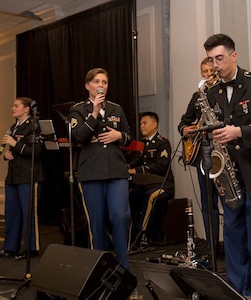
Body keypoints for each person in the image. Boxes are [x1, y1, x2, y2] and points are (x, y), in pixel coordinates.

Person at [203, 33, 251, 300]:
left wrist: (238, 132)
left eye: (220, 58)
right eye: (211, 60)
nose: (215, 65)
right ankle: (236, 290)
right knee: (233, 234)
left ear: (234, 56)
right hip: (229, 173)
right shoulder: (211, 91)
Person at [69, 67, 132, 269]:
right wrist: (94, 112)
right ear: (88, 85)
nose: (101, 86)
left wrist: (119, 136)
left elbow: (129, 138)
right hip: (91, 172)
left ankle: (124, 266)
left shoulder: (117, 109)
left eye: (104, 82)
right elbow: (78, 136)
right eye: (96, 82)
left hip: (116, 170)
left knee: (120, 216)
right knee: (96, 223)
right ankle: (100, 268)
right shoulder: (78, 109)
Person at [178, 57, 222, 255]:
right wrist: (185, 129)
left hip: (223, 152)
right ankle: (212, 247)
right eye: (204, 71)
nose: (207, 75)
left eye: (210, 71)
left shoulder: (225, 92)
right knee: (207, 203)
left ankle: (231, 246)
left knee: (229, 203)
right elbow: (184, 121)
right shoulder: (197, 95)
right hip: (203, 154)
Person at [0, 97, 43, 259]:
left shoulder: (35, 126)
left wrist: (15, 144)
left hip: (28, 175)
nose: (12, 108)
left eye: (16, 106)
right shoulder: (13, 127)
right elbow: (12, 151)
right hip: (13, 176)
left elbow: (37, 151)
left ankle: (32, 249)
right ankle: (10, 247)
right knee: (11, 213)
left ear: (26, 109)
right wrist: (7, 154)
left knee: (29, 213)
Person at [128, 112, 174, 249]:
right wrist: (126, 167)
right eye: (141, 123)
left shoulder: (163, 142)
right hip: (146, 184)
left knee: (151, 197)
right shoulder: (144, 144)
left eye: (145, 123)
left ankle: (143, 234)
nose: (141, 126)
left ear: (154, 124)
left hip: (164, 185)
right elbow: (138, 161)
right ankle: (132, 231)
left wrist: (137, 170)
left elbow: (161, 165)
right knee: (132, 194)